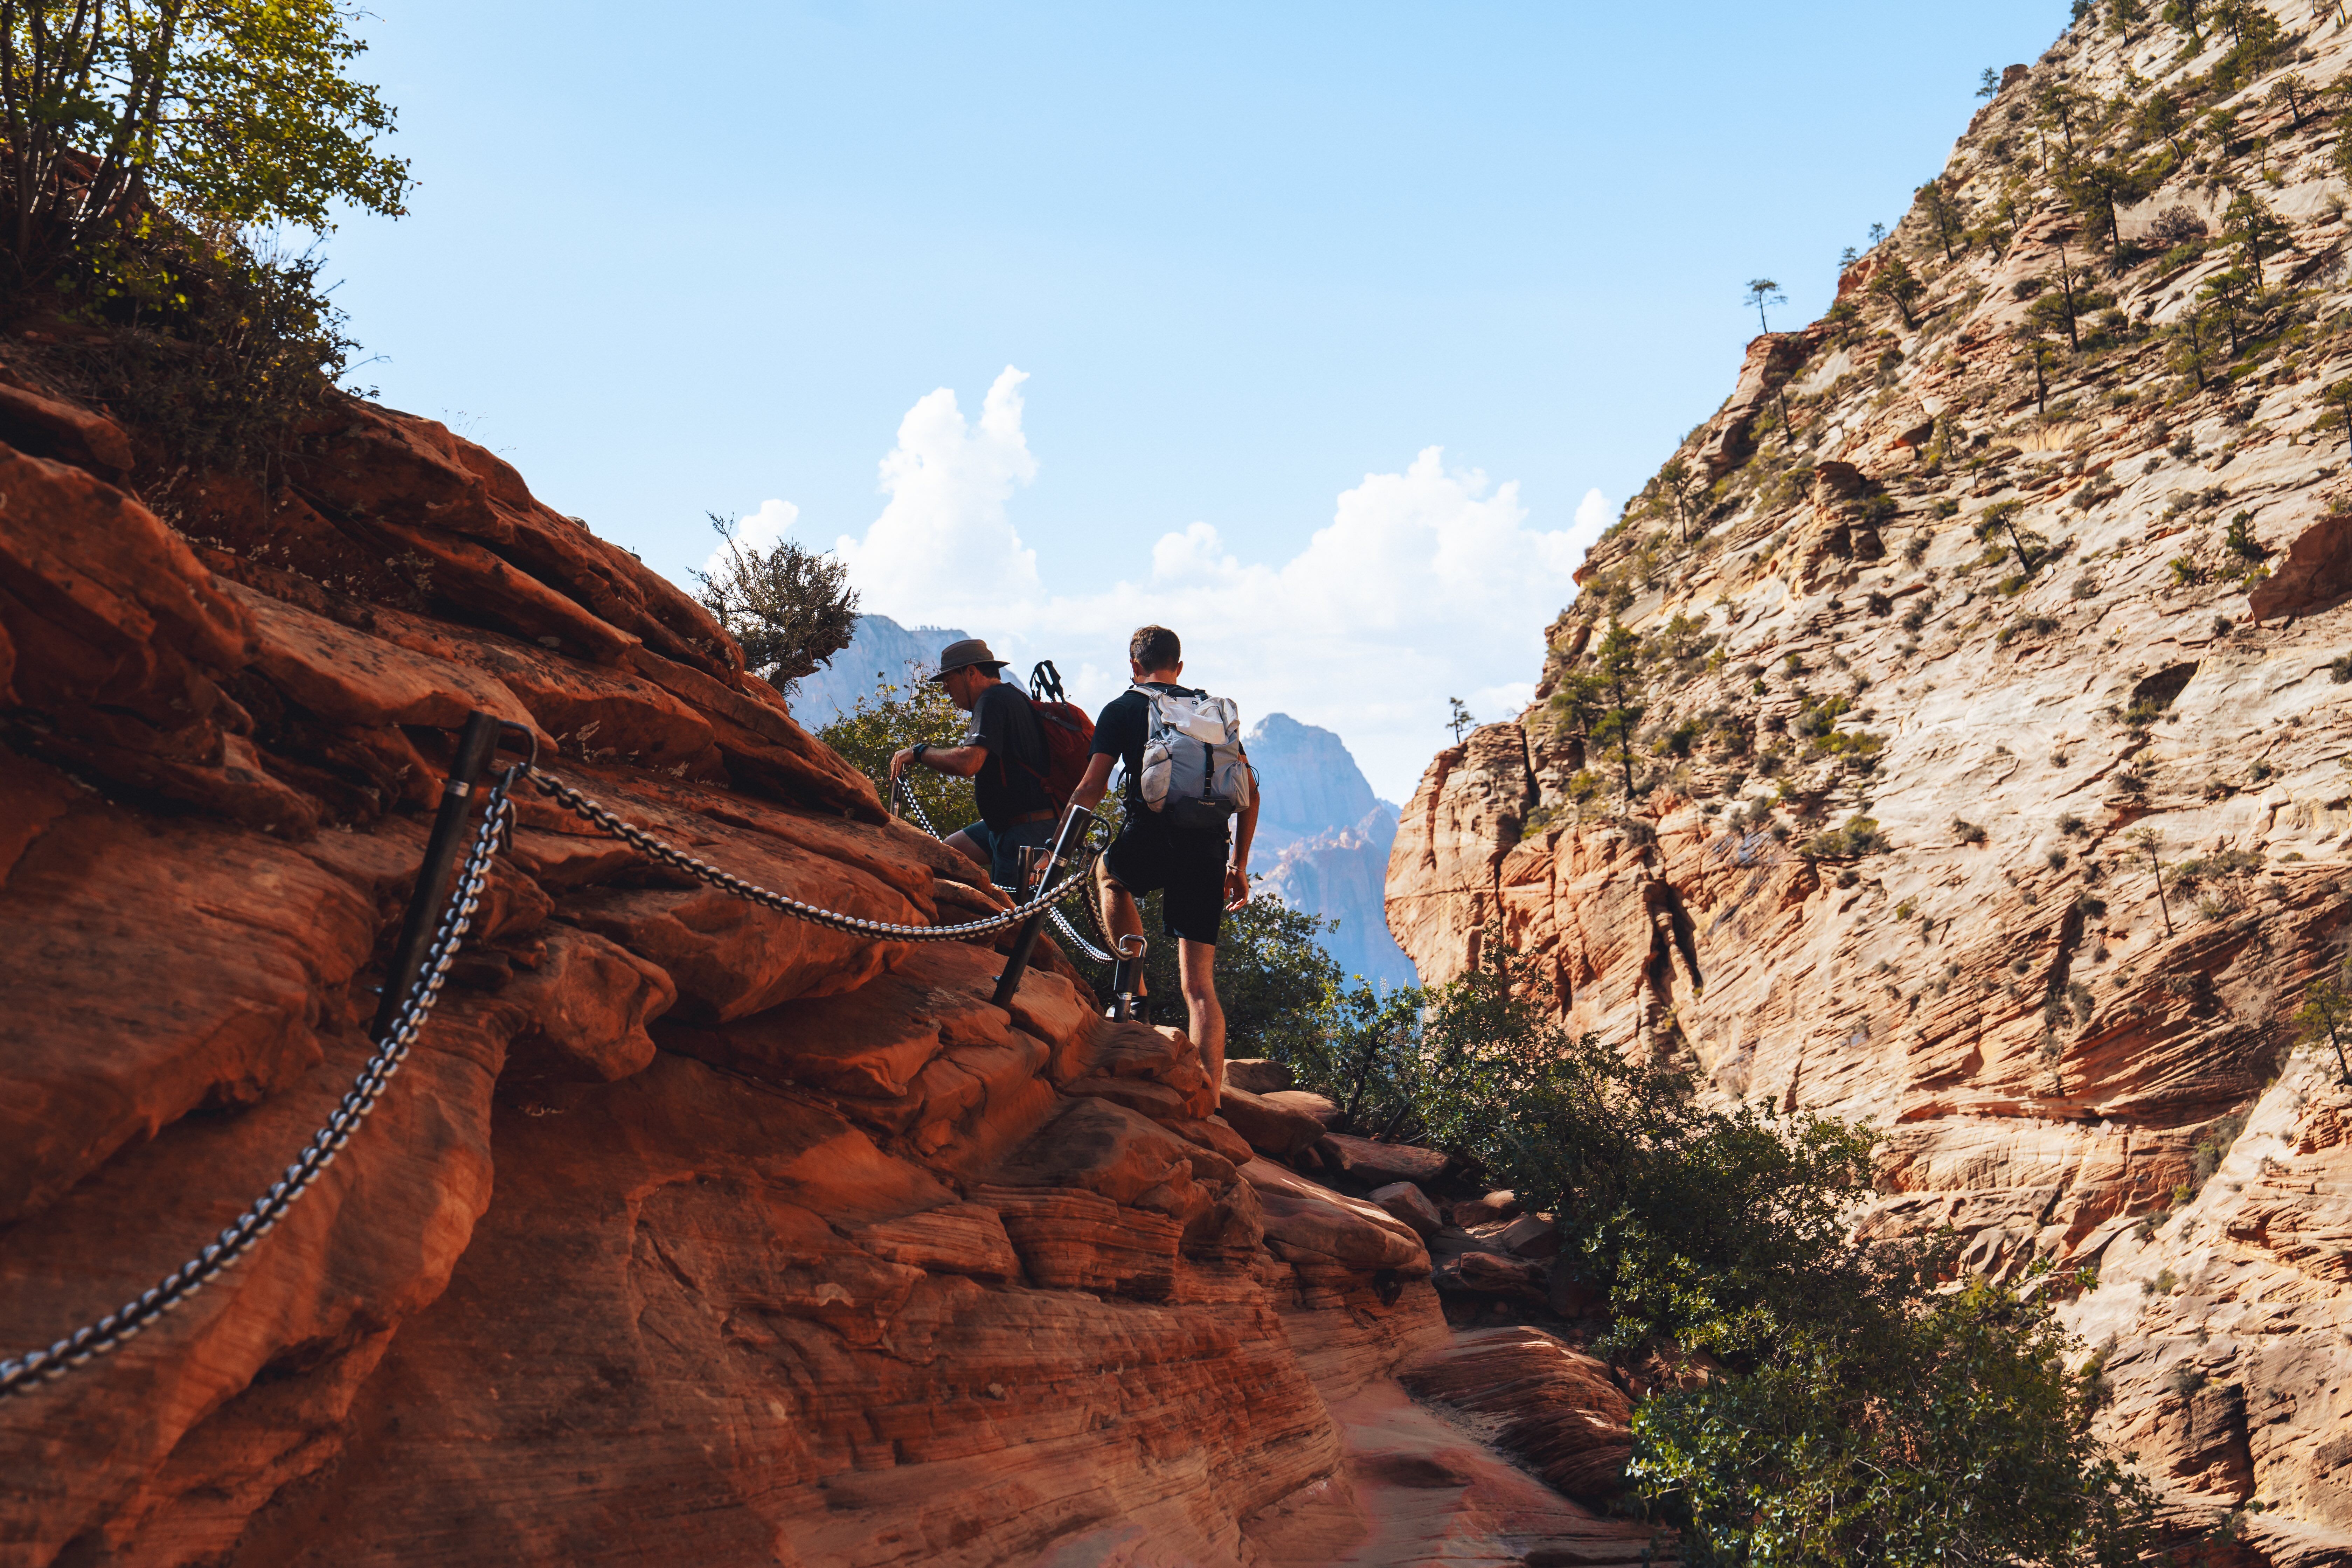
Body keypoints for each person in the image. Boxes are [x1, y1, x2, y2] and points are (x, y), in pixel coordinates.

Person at [1067, 624, 1260, 1094]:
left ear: (1135, 666)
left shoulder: (1123, 708)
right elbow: (1250, 792)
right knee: (1200, 988)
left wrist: (1058, 846)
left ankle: (1136, 996)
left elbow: (1092, 786)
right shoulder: (1212, 711)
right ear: (1179, 665)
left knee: (1109, 876)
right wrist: (1238, 865)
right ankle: (1211, 1099)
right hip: (1208, 847)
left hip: (1150, 837)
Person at [888, 639, 1058, 895]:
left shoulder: (992, 699)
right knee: (945, 856)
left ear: (971, 672)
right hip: (1008, 827)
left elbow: (969, 763)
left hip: (1024, 835)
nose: (946, 689)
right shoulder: (1011, 697)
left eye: (949, 680)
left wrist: (919, 753)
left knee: (1012, 923)